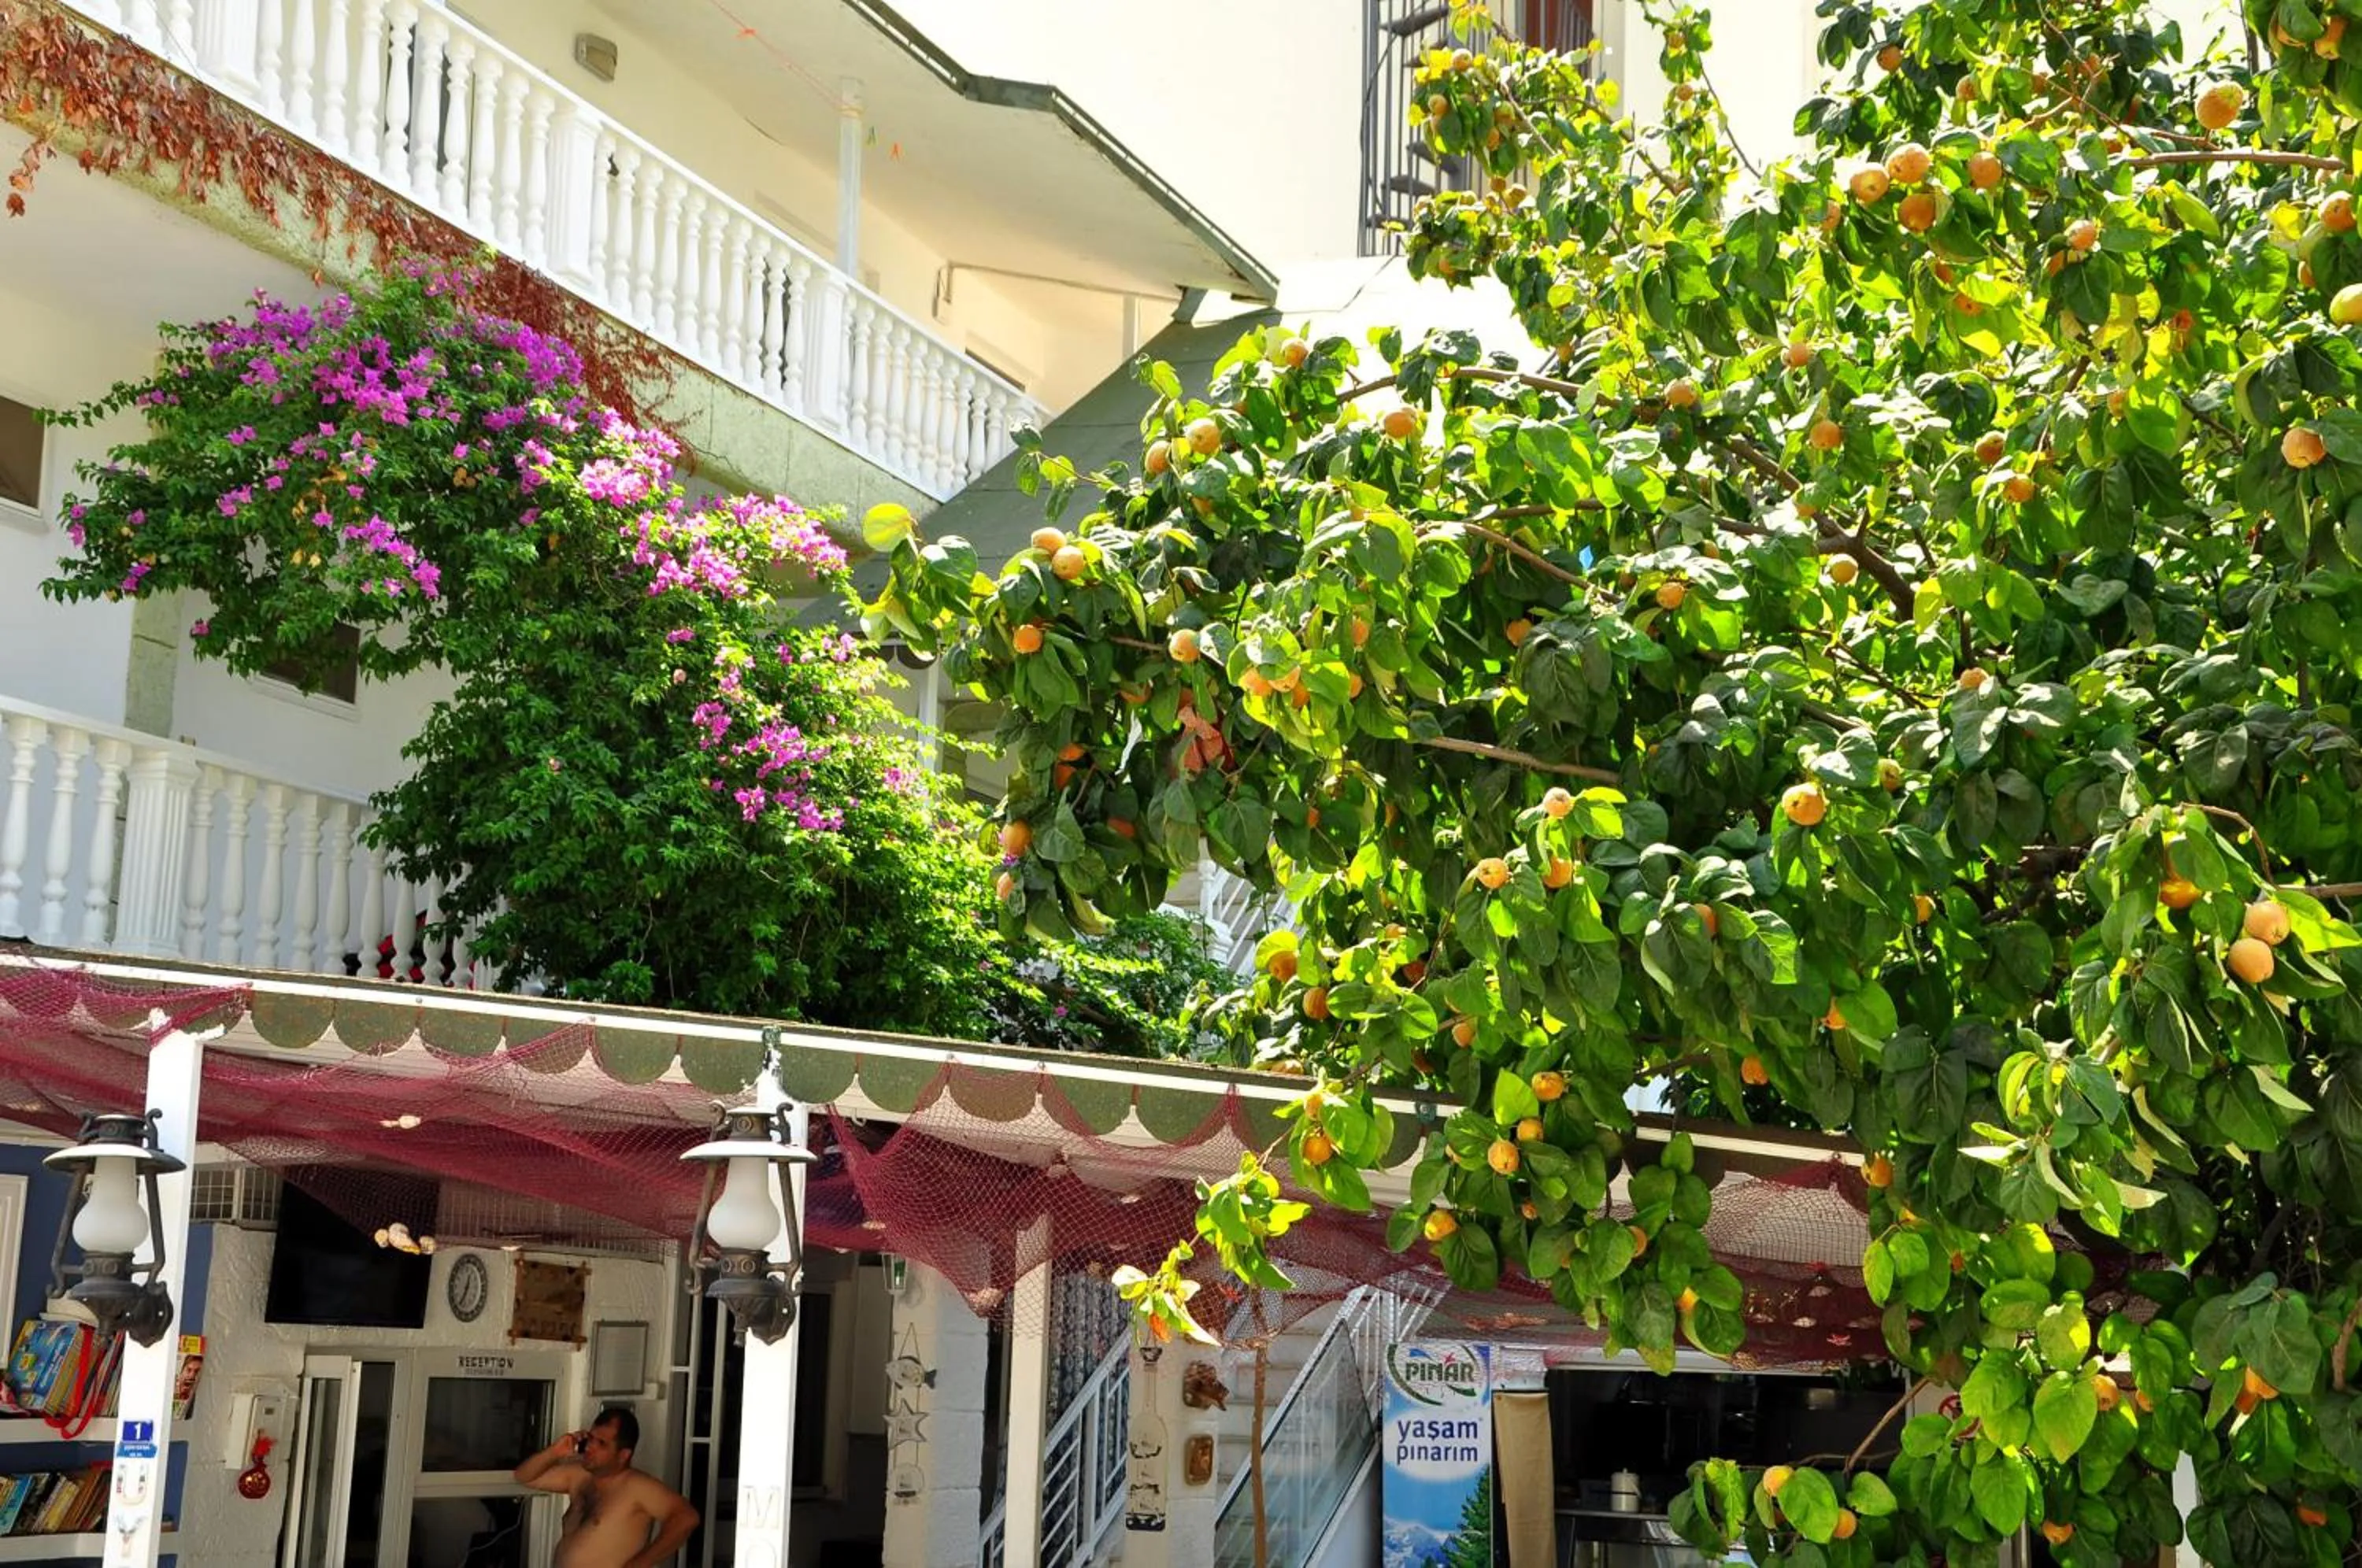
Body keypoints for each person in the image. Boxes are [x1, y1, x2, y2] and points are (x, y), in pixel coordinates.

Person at [513, 1407, 699, 1568]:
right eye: (590, 1438)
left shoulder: (637, 1486)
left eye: (601, 1443)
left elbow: (686, 1518)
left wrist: (641, 1563)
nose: (590, 1447)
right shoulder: (578, 1476)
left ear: (623, 1455)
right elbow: (525, 1477)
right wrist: (555, 1452)